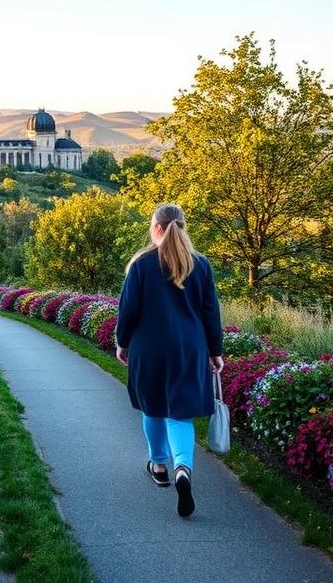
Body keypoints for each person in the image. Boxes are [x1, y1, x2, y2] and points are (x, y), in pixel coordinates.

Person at [114, 202, 224, 518]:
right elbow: (210, 313)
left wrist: (122, 343)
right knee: (180, 415)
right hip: (189, 349)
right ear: (182, 228)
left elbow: (129, 311)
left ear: (157, 228)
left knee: (153, 407)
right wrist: (215, 351)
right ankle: (183, 470)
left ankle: (158, 466)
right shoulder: (200, 265)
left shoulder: (141, 265)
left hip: (149, 348)